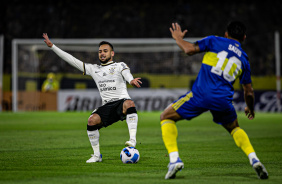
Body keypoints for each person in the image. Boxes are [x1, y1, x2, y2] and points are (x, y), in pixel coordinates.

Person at [160, 21, 268, 179]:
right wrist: (250, 108)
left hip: (201, 94)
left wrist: (178, 38)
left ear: (226, 34)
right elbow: (249, 92)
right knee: (234, 128)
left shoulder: (214, 40)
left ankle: (174, 159)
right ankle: (254, 159)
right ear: (244, 37)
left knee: (166, 116)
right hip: (223, 100)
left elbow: (189, 50)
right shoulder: (244, 59)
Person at [43, 33, 142, 163]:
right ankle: (96, 155)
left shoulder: (119, 65)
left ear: (112, 53)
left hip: (121, 103)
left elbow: (126, 73)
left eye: (105, 51)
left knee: (129, 103)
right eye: (100, 51)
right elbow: (72, 60)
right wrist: (52, 47)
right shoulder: (93, 69)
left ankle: (132, 140)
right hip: (107, 106)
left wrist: (131, 80)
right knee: (91, 121)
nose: (102, 53)